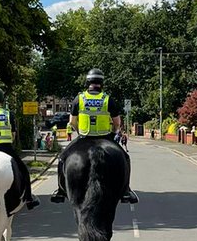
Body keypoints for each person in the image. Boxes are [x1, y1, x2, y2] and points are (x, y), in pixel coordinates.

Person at [51, 68, 138, 204]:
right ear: (101, 83)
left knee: (63, 158)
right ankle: (126, 191)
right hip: (105, 137)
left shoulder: (79, 99)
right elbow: (117, 123)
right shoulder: (107, 99)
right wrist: (114, 132)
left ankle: (60, 191)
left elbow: (72, 122)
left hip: (84, 137)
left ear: (88, 82)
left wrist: (79, 131)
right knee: (125, 158)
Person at [0, 87, 40, 209]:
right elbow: (13, 135)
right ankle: (29, 198)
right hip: (6, 148)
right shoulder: (8, 114)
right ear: (2, 100)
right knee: (23, 170)